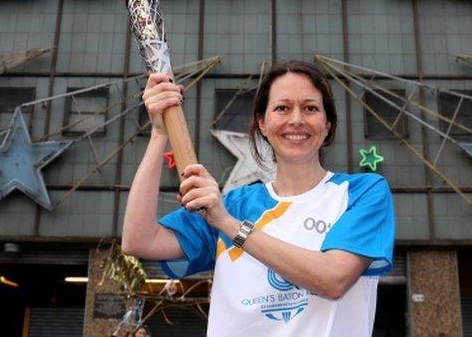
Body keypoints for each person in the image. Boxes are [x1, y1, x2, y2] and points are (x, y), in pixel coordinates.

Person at [122, 61, 396, 336]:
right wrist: (159, 134)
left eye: (311, 108)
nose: (297, 120)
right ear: (262, 123)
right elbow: (139, 240)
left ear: (327, 124)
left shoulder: (361, 193)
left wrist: (229, 225)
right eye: (282, 108)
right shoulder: (233, 204)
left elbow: (334, 279)